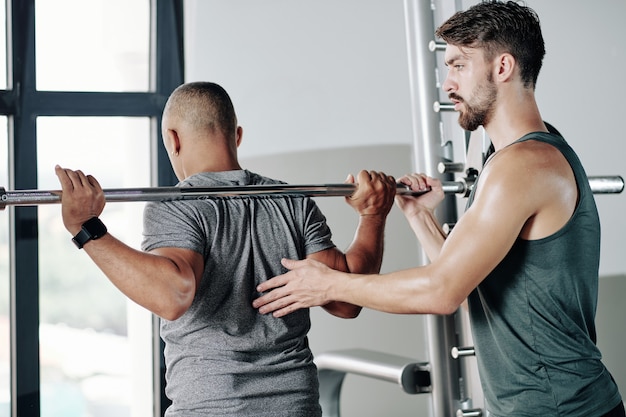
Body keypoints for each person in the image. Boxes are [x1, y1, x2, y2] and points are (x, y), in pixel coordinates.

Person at [253, 2, 625, 416]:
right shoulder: (511, 159)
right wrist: (418, 214)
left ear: (502, 67)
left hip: (561, 408)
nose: (447, 84)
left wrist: (328, 286)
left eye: (459, 66)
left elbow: (442, 290)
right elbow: (473, 288)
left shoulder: (523, 166)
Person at [55, 81, 397, 417]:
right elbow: (346, 301)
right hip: (296, 406)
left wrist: (87, 228)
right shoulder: (292, 200)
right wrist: (373, 215)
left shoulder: (177, 204)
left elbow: (173, 295)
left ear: (172, 140)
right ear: (237, 135)